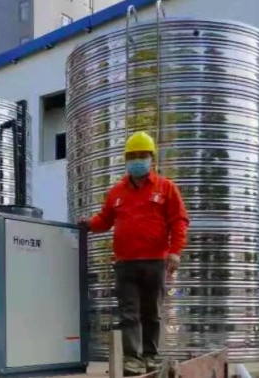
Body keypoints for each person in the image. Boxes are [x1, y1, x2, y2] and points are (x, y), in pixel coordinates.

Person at [79, 131, 189, 376]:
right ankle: (132, 359)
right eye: (133, 156)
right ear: (126, 159)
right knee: (129, 314)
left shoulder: (166, 188)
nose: (138, 160)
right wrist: (89, 224)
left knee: (152, 313)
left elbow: (179, 221)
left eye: (142, 155)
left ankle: (150, 357)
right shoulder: (117, 191)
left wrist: (175, 252)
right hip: (125, 264)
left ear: (152, 158)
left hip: (155, 262)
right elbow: (104, 220)